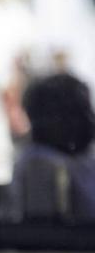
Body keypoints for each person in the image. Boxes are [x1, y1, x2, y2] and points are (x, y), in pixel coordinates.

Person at [8, 73, 95, 221]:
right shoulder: (40, 163)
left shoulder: (81, 160)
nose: (89, 120)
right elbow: (46, 235)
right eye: (78, 113)